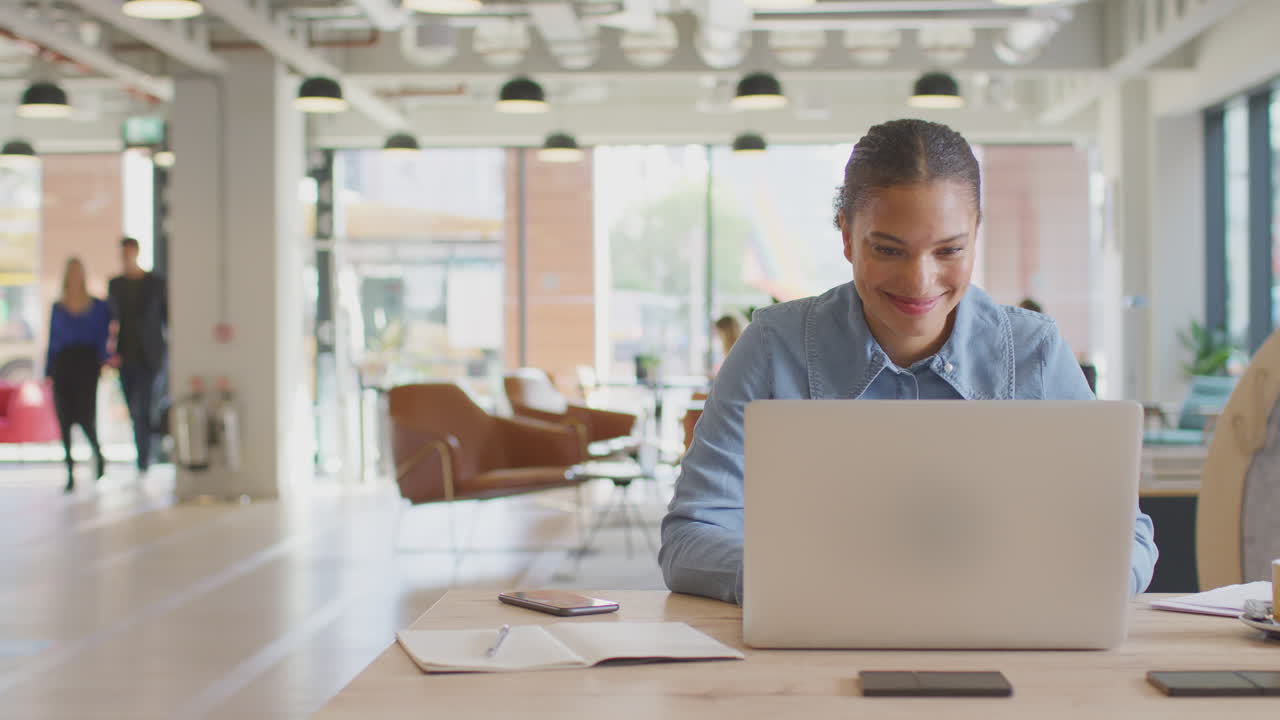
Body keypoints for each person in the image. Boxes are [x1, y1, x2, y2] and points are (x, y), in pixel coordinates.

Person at [659, 119, 1158, 605]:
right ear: (847, 236)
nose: (920, 282)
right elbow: (692, 535)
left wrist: (1064, 586)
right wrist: (809, 583)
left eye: (949, 250)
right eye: (889, 250)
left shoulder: (1036, 352)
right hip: (816, 645)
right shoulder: (772, 347)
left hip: (1004, 644)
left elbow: (1128, 541)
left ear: (976, 234)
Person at [45, 258, 110, 492]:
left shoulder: (97, 305)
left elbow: (103, 336)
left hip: (86, 364)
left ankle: (99, 456)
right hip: (63, 364)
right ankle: (70, 471)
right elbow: (53, 340)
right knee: (64, 419)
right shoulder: (58, 306)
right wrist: (48, 370)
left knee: (85, 416)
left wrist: (103, 360)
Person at [108, 237, 168, 473]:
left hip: (150, 355)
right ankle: (142, 454)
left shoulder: (155, 283)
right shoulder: (116, 285)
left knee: (145, 405)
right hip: (126, 354)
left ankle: (145, 458)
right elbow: (111, 320)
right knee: (133, 407)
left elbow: (166, 318)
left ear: (137, 252)